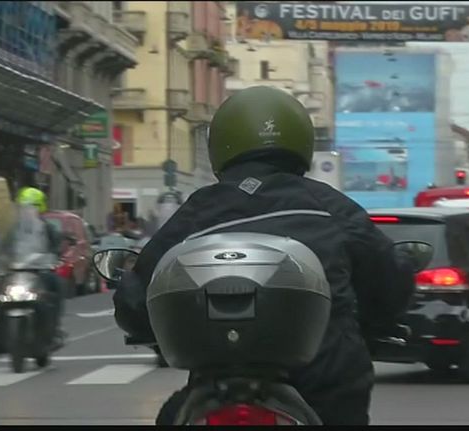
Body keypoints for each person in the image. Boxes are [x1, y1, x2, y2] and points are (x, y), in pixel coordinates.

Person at [112, 86, 417, 425]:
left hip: (217, 386)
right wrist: (375, 323)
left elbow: (135, 299)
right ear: (301, 142)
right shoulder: (332, 207)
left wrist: (150, 327)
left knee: (174, 415)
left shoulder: (196, 213)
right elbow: (389, 280)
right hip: (325, 381)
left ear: (221, 146)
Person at [14, 186, 66, 347]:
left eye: (32, 207)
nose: (28, 211)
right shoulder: (14, 229)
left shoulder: (47, 228)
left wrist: (54, 256)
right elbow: (3, 246)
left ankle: (55, 328)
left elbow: (56, 246)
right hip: (18, 272)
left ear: (40, 209)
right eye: (25, 207)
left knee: (56, 285)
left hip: (40, 272)